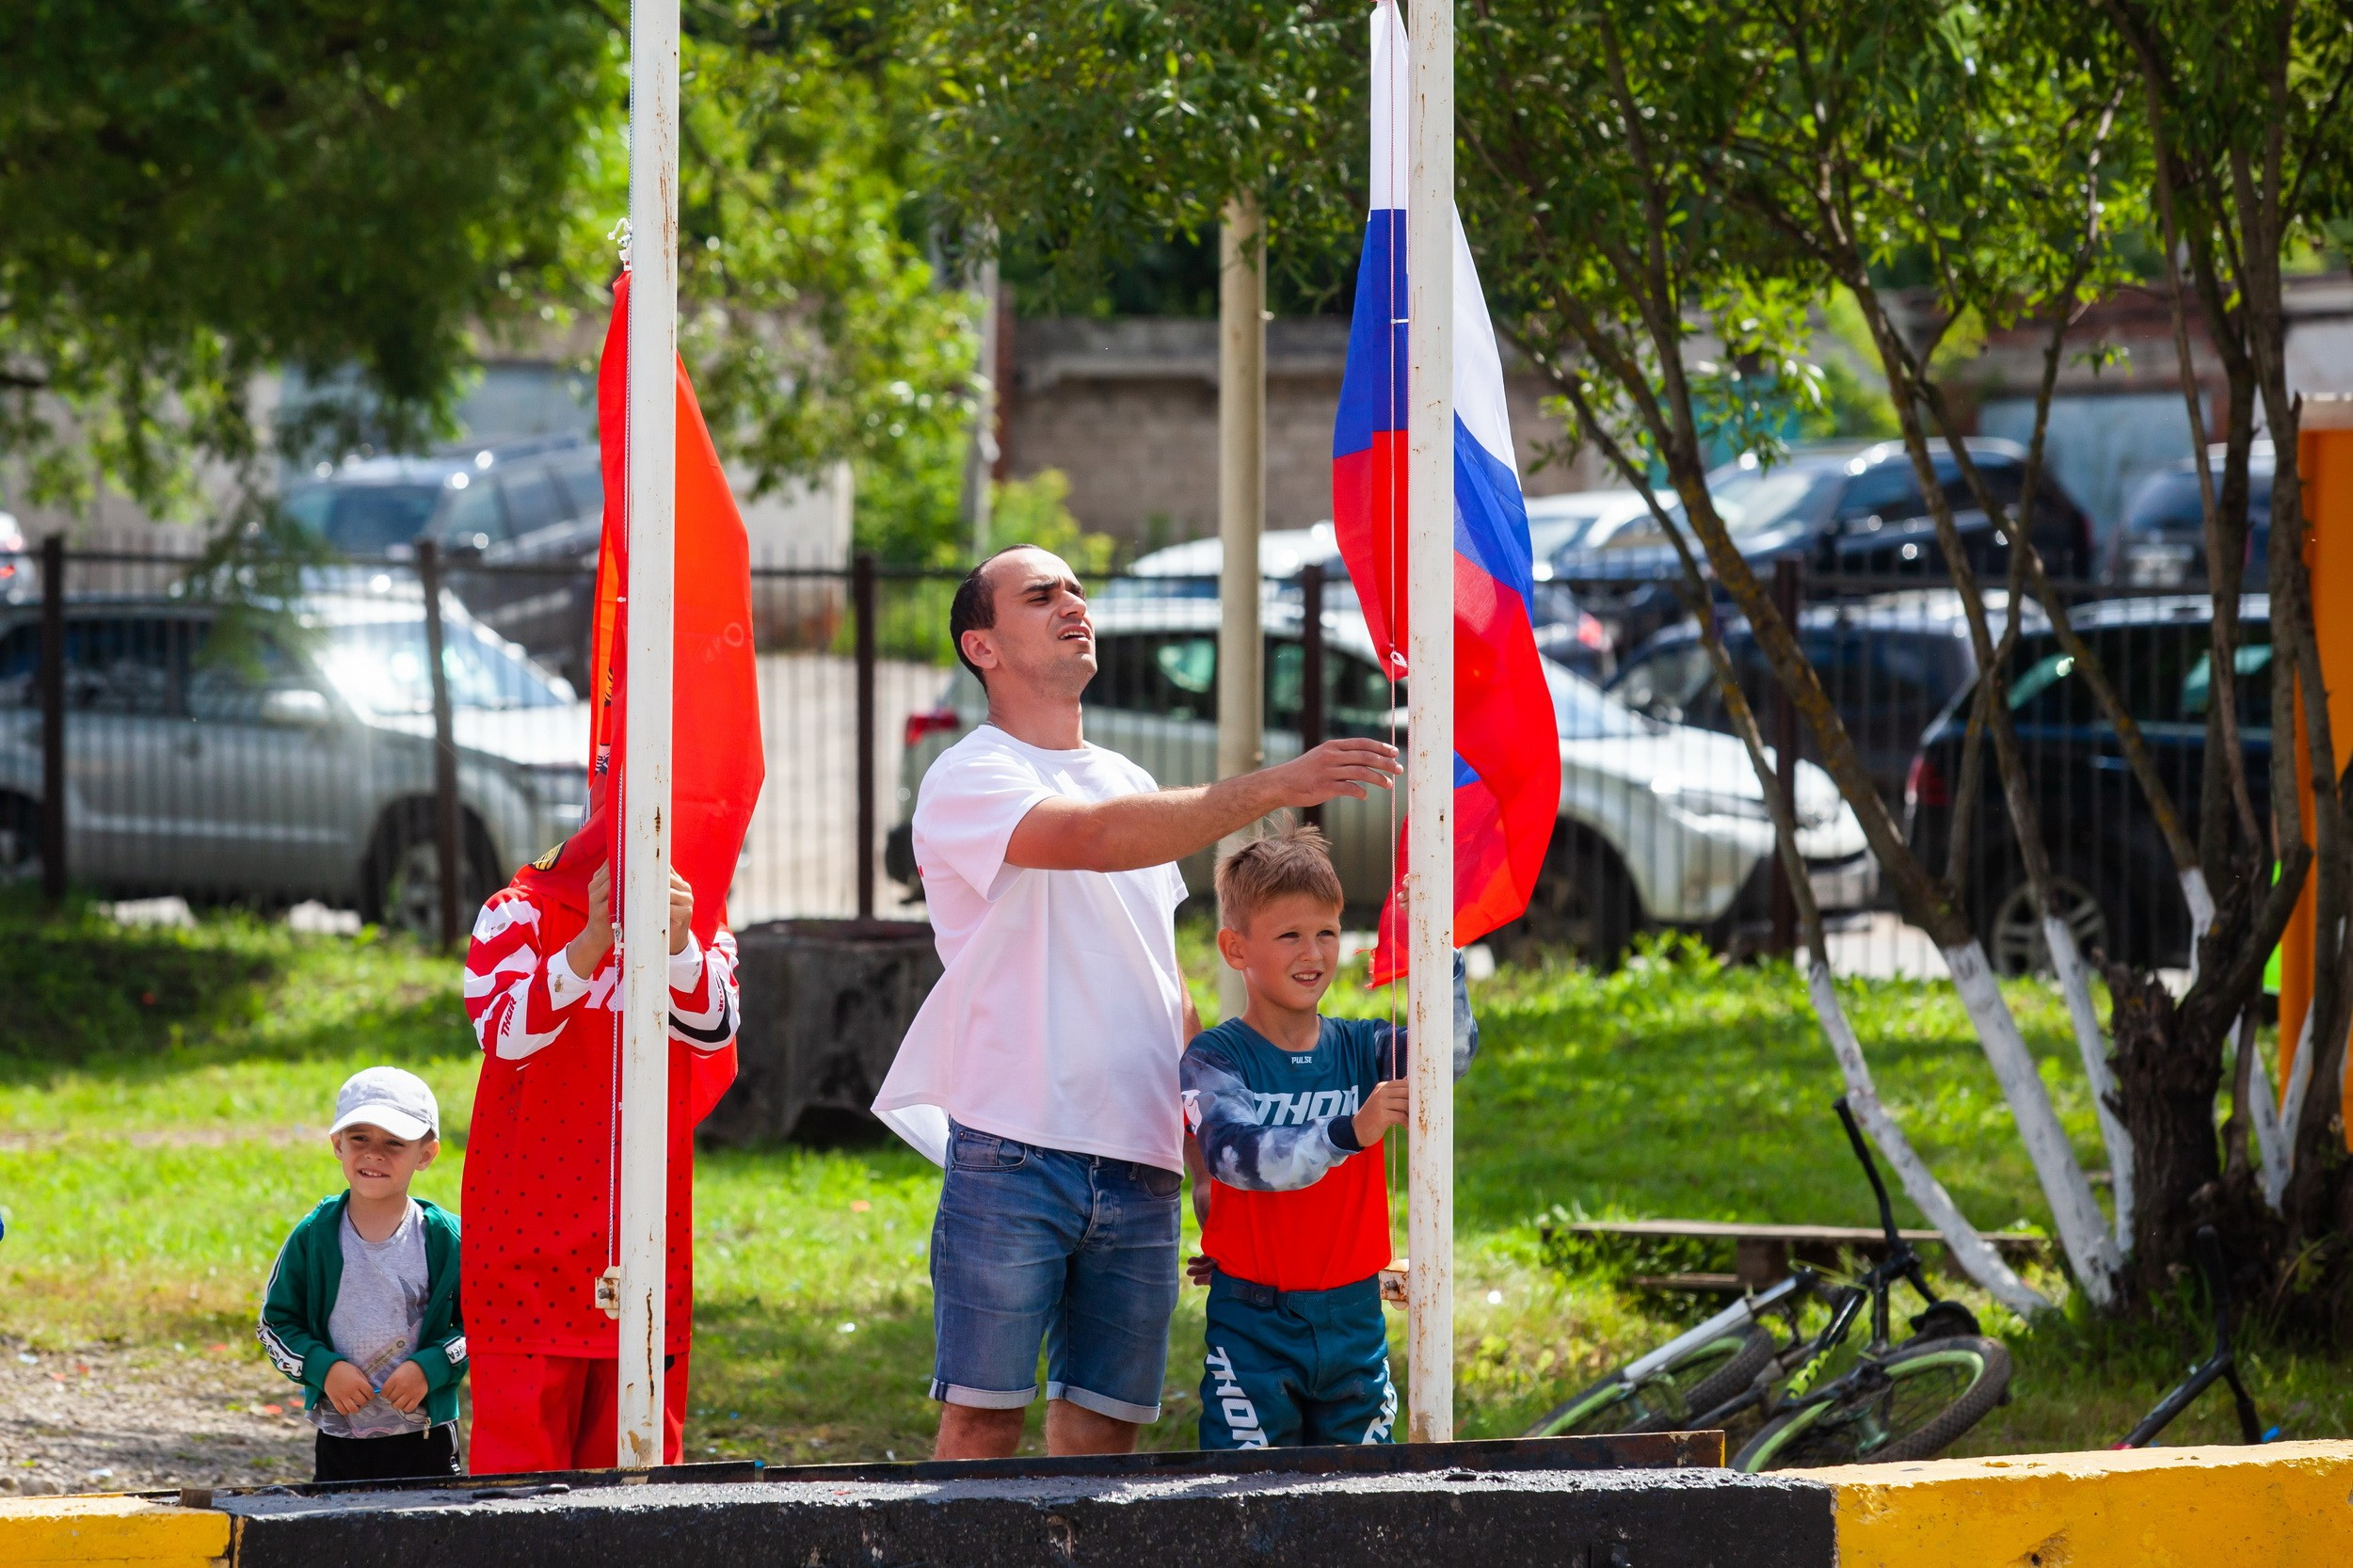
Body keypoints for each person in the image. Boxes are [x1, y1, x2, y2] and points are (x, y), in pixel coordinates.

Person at [872, 545, 1401, 1460]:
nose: (1074, 605)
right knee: (983, 1421)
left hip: (1142, 1159)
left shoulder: (1128, 777)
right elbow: (1092, 839)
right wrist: (1278, 785)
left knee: (1104, 1432)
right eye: (1042, 595)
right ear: (981, 646)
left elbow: (1160, 976)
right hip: (1013, 1147)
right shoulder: (968, 772)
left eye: (1078, 591)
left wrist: (1202, 1155)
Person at [1181, 829, 1478, 1448]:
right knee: (1245, 1497)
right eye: (1289, 935)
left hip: (1355, 1320)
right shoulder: (1215, 1058)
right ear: (1235, 948)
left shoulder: (1362, 1045)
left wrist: (1438, 946)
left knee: (1362, 1498)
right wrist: (1350, 1131)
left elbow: (1446, 1058)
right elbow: (1239, 1158)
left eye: (1327, 932)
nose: (1312, 952)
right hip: (1252, 1326)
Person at [460, 851, 740, 1472]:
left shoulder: (699, 916)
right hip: (525, 1240)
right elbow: (502, 1034)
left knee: (635, 1477)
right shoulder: (517, 912)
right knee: (519, 1485)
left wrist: (677, 944)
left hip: (646, 1243)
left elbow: (716, 1030)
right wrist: (590, 942)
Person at [259, 1066, 468, 1482]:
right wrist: (324, 1369)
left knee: (431, 1522)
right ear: (338, 1144)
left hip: (427, 1434)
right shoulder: (314, 1236)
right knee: (343, 1521)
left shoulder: (447, 1239)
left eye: (394, 1142)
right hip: (340, 1434)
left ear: (426, 1155)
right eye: (360, 1138)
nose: (374, 1154)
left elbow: (484, 1325)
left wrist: (431, 1366)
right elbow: (275, 1324)